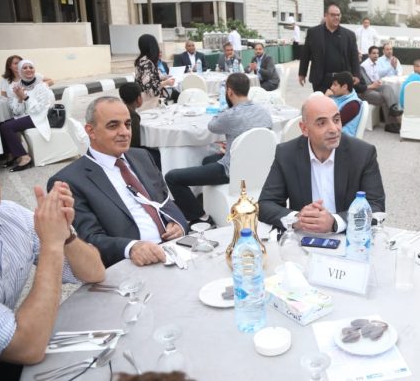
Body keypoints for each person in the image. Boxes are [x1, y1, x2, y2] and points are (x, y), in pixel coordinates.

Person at [48, 96, 187, 267]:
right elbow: (89, 238)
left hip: (176, 249)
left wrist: (178, 223)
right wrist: (131, 248)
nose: (125, 132)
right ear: (91, 131)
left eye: (127, 124)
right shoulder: (69, 181)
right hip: (131, 264)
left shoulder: (142, 156)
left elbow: (165, 200)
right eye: (113, 126)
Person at [0, 180, 105, 373]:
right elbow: (27, 348)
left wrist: (66, 234)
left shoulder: (11, 215)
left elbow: (94, 272)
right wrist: (52, 244)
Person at [258, 95, 385, 232]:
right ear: (304, 128)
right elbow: (265, 204)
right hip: (303, 238)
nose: (334, 129)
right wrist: (297, 218)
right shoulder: (287, 153)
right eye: (322, 123)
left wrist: (335, 222)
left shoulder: (362, 153)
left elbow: (376, 207)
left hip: (350, 237)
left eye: (336, 120)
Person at [166, 73, 272, 226]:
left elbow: (212, 126)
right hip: (258, 166)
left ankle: (201, 217)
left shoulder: (230, 115)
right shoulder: (264, 111)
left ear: (229, 92)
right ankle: (208, 198)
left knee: (172, 177)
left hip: (232, 170)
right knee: (208, 160)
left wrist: (226, 108)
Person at [0, 60, 54, 172]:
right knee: (2, 124)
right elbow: (17, 111)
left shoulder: (41, 86)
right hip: (27, 116)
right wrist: (19, 98)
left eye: (31, 67)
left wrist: (25, 97)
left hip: (41, 117)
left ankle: (24, 157)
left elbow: (38, 109)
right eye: (24, 68)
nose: (28, 70)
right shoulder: (18, 86)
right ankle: (12, 155)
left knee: (6, 127)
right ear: (20, 71)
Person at [299, 3, 360, 93]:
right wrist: (302, 73)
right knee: (321, 101)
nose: (336, 17)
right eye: (333, 15)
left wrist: (356, 74)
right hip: (320, 79)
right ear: (326, 15)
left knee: (341, 102)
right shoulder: (313, 32)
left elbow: (354, 56)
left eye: (338, 15)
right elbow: (305, 54)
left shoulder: (349, 35)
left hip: (342, 80)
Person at [358, 46, 403, 133]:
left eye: (377, 53)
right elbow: (362, 85)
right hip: (365, 90)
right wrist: (373, 85)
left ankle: (394, 109)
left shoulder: (374, 64)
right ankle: (390, 124)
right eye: (374, 53)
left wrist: (377, 83)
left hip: (373, 86)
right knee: (384, 98)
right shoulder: (364, 65)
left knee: (388, 87)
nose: (376, 55)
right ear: (369, 54)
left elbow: (374, 79)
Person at [118, 82, 161, 170]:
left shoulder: (121, 110)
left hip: (121, 149)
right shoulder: (133, 116)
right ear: (139, 98)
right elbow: (135, 143)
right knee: (158, 154)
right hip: (129, 153)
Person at [134, 34, 175, 110]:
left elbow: (151, 77)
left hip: (146, 100)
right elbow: (150, 89)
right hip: (148, 104)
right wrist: (166, 82)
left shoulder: (143, 61)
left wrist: (165, 77)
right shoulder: (146, 63)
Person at [324, 71, 364, 137]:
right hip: (333, 134)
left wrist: (325, 98)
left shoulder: (353, 105)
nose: (331, 87)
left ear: (345, 87)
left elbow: (334, 123)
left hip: (342, 138)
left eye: (335, 85)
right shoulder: (338, 97)